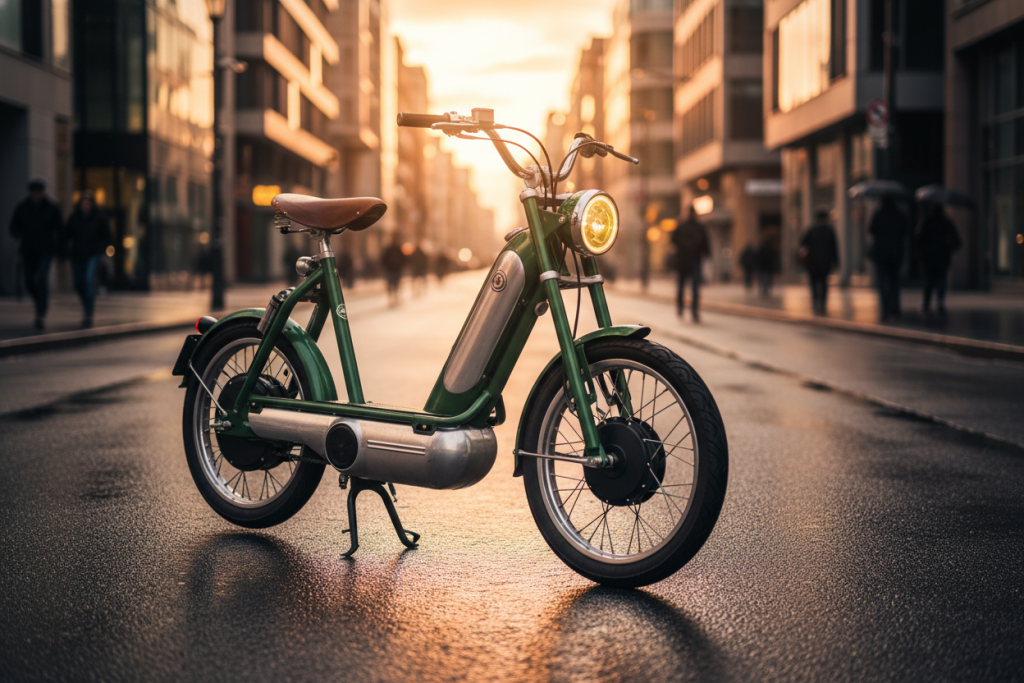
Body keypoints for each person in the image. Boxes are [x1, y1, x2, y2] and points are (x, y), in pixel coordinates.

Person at [8, 179, 63, 329]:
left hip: (45, 250)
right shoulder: (22, 208)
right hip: (28, 250)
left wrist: (58, 251)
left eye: (39, 192)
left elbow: (59, 230)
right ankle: (40, 301)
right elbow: (13, 227)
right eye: (34, 192)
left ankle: (40, 313)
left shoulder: (52, 208)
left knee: (42, 278)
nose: (37, 195)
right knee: (29, 281)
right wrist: (19, 237)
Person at [62, 190, 113, 328]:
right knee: (78, 283)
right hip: (77, 255)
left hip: (93, 254)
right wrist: (65, 251)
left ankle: (88, 314)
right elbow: (66, 235)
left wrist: (101, 249)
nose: (85, 206)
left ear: (92, 204)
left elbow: (107, 236)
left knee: (88, 280)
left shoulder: (99, 218)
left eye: (88, 203)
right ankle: (87, 303)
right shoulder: (74, 218)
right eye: (83, 203)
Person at [869, 194, 911, 321]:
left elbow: (871, 229)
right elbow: (906, 231)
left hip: (881, 252)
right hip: (896, 252)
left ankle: (885, 309)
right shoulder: (900, 214)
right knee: (894, 281)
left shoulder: (878, 214)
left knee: (882, 281)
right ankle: (895, 308)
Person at [916, 202, 961, 315]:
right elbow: (956, 240)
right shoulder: (946, 222)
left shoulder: (926, 221)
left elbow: (918, 238)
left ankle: (927, 304)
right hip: (942, 257)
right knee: (940, 280)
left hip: (929, 257)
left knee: (928, 281)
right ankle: (939, 302)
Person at [671, 203, 710, 322]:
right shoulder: (699, 227)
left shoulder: (682, 226)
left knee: (683, 286)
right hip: (693, 261)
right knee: (694, 287)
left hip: (684, 261)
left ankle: (681, 308)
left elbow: (673, 241)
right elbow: (706, 245)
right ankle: (693, 311)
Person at [799, 208, 840, 316]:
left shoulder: (811, 230)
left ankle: (815, 301)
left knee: (813, 283)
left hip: (812, 263)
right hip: (825, 262)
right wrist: (836, 262)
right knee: (824, 283)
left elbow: (803, 244)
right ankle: (822, 303)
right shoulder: (829, 231)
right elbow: (834, 248)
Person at [380, 234, 406, 307]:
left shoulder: (389, 248)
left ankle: (392, 298)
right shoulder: (398, 248)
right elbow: (403, 259)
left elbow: (383, 259)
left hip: (391, 270)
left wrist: (385, 267)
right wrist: (401, 266)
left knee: (390, 284)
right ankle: (394, 297)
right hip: (395, 270)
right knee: (395, 284)